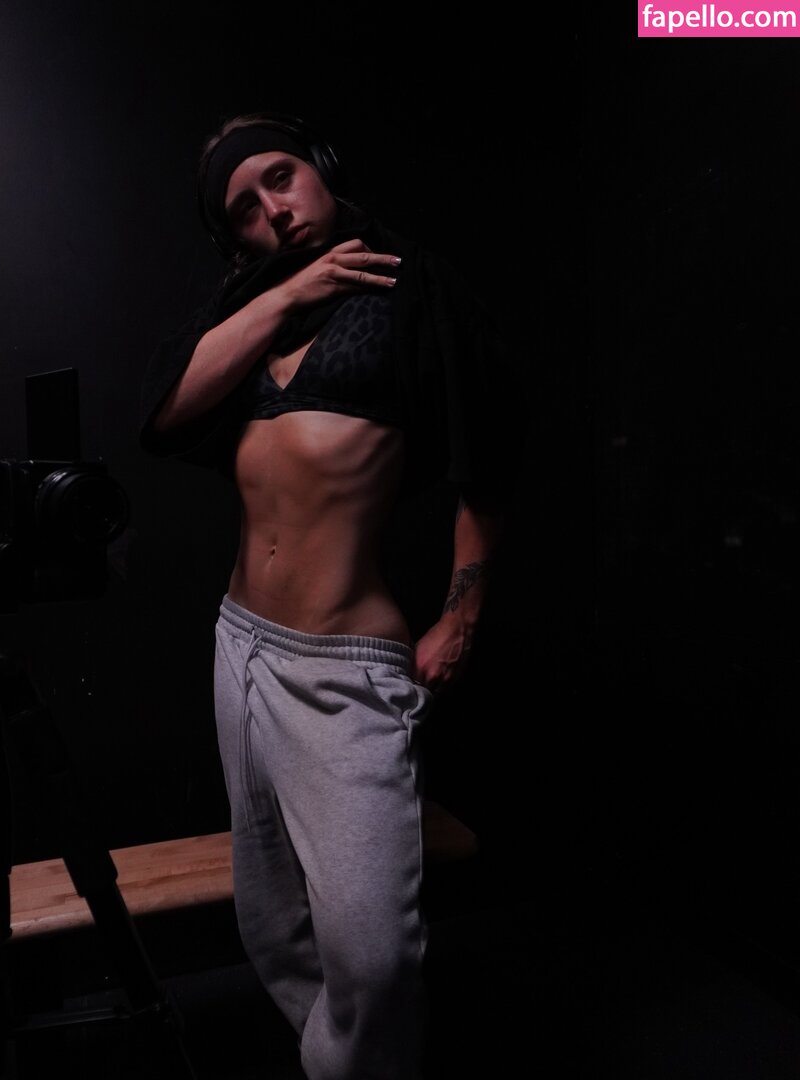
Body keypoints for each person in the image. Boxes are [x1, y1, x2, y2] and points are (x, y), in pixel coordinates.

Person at [139, 111, 521, 1080]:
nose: (273, 209)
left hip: (344, 663)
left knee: (376, 956)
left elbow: (489, 464)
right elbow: (169, 409)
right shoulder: (256, 303)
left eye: (281, 177)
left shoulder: (410, 286)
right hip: (241, 647)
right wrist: (289, 291)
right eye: (245, 207)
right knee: (271, 920)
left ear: (321, 167)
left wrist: (462, 612)